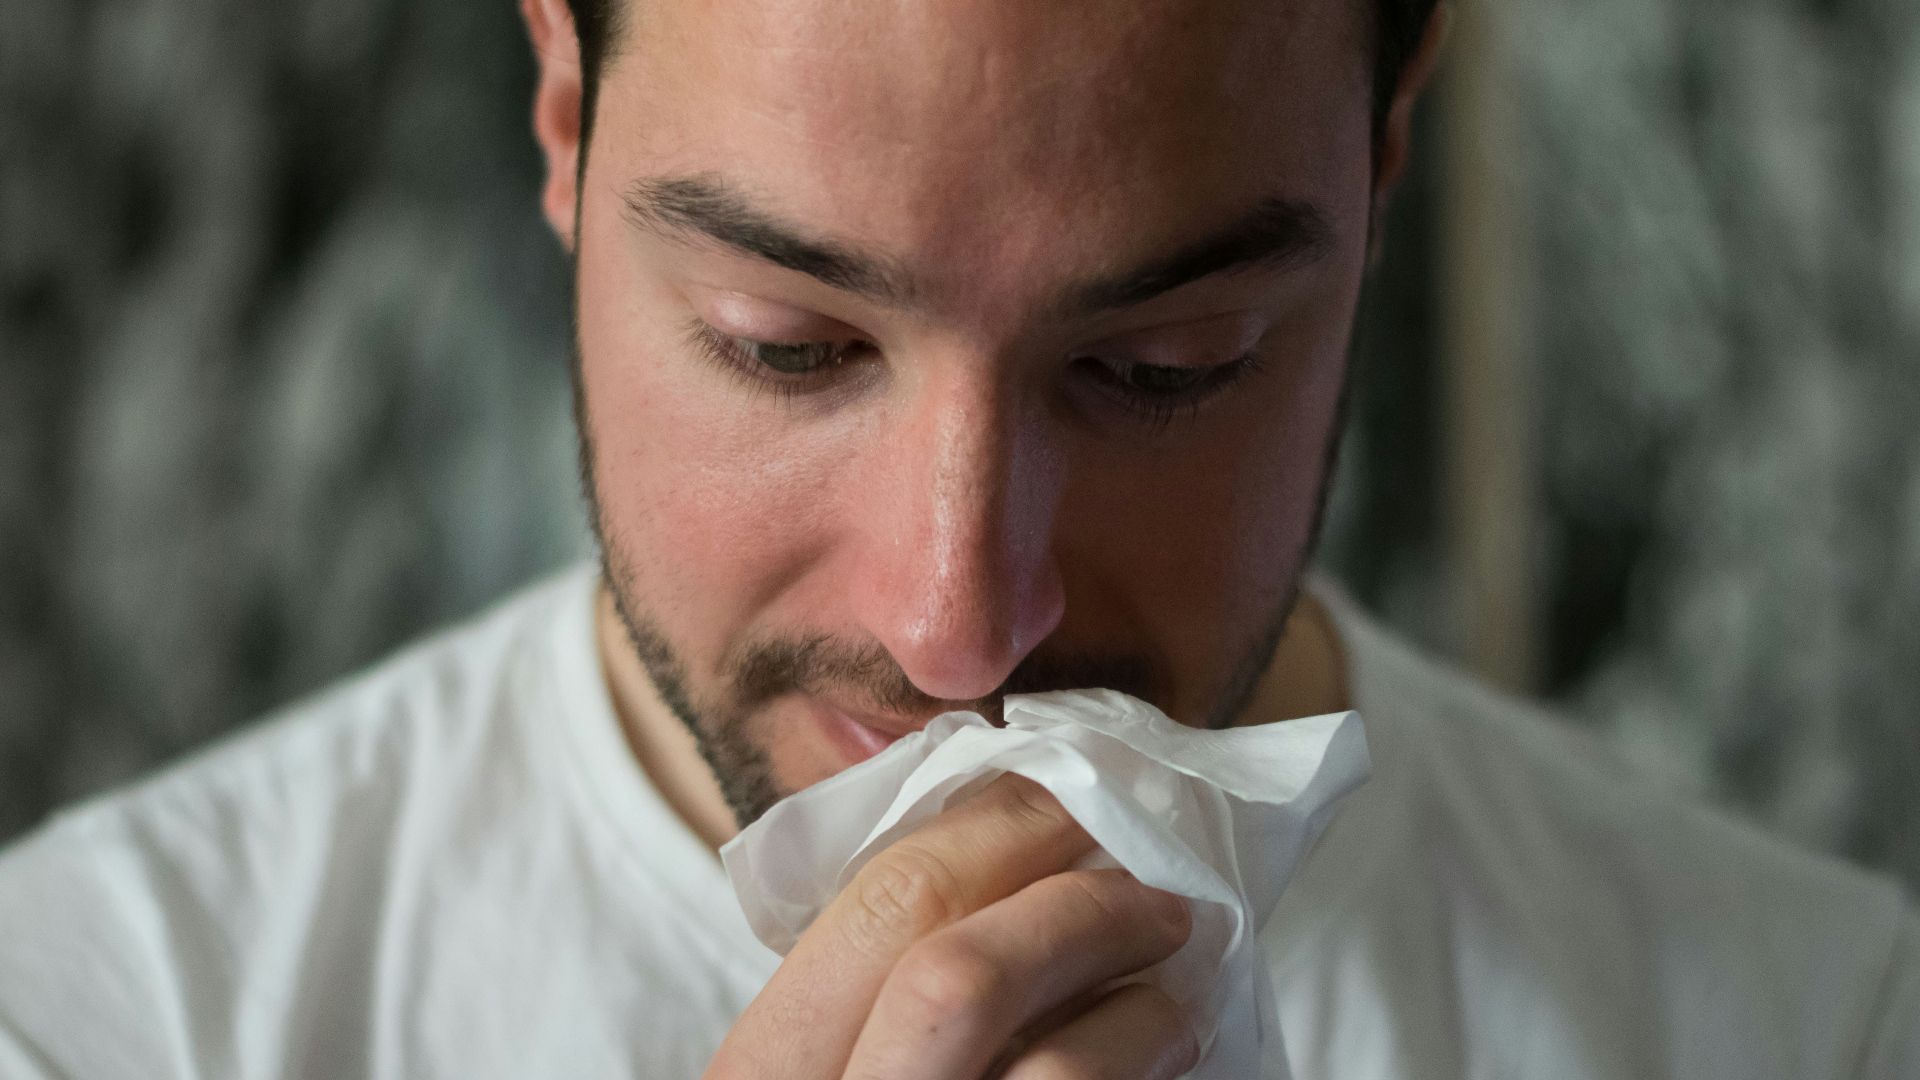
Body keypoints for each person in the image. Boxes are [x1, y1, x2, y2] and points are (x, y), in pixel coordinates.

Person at [1, 0, 1914, 1075]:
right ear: (567, 117)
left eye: (1166, 368)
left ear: (1380, 161)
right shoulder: (100, 1019)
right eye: (791, 345)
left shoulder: (1815, 1026)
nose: (962, 627)